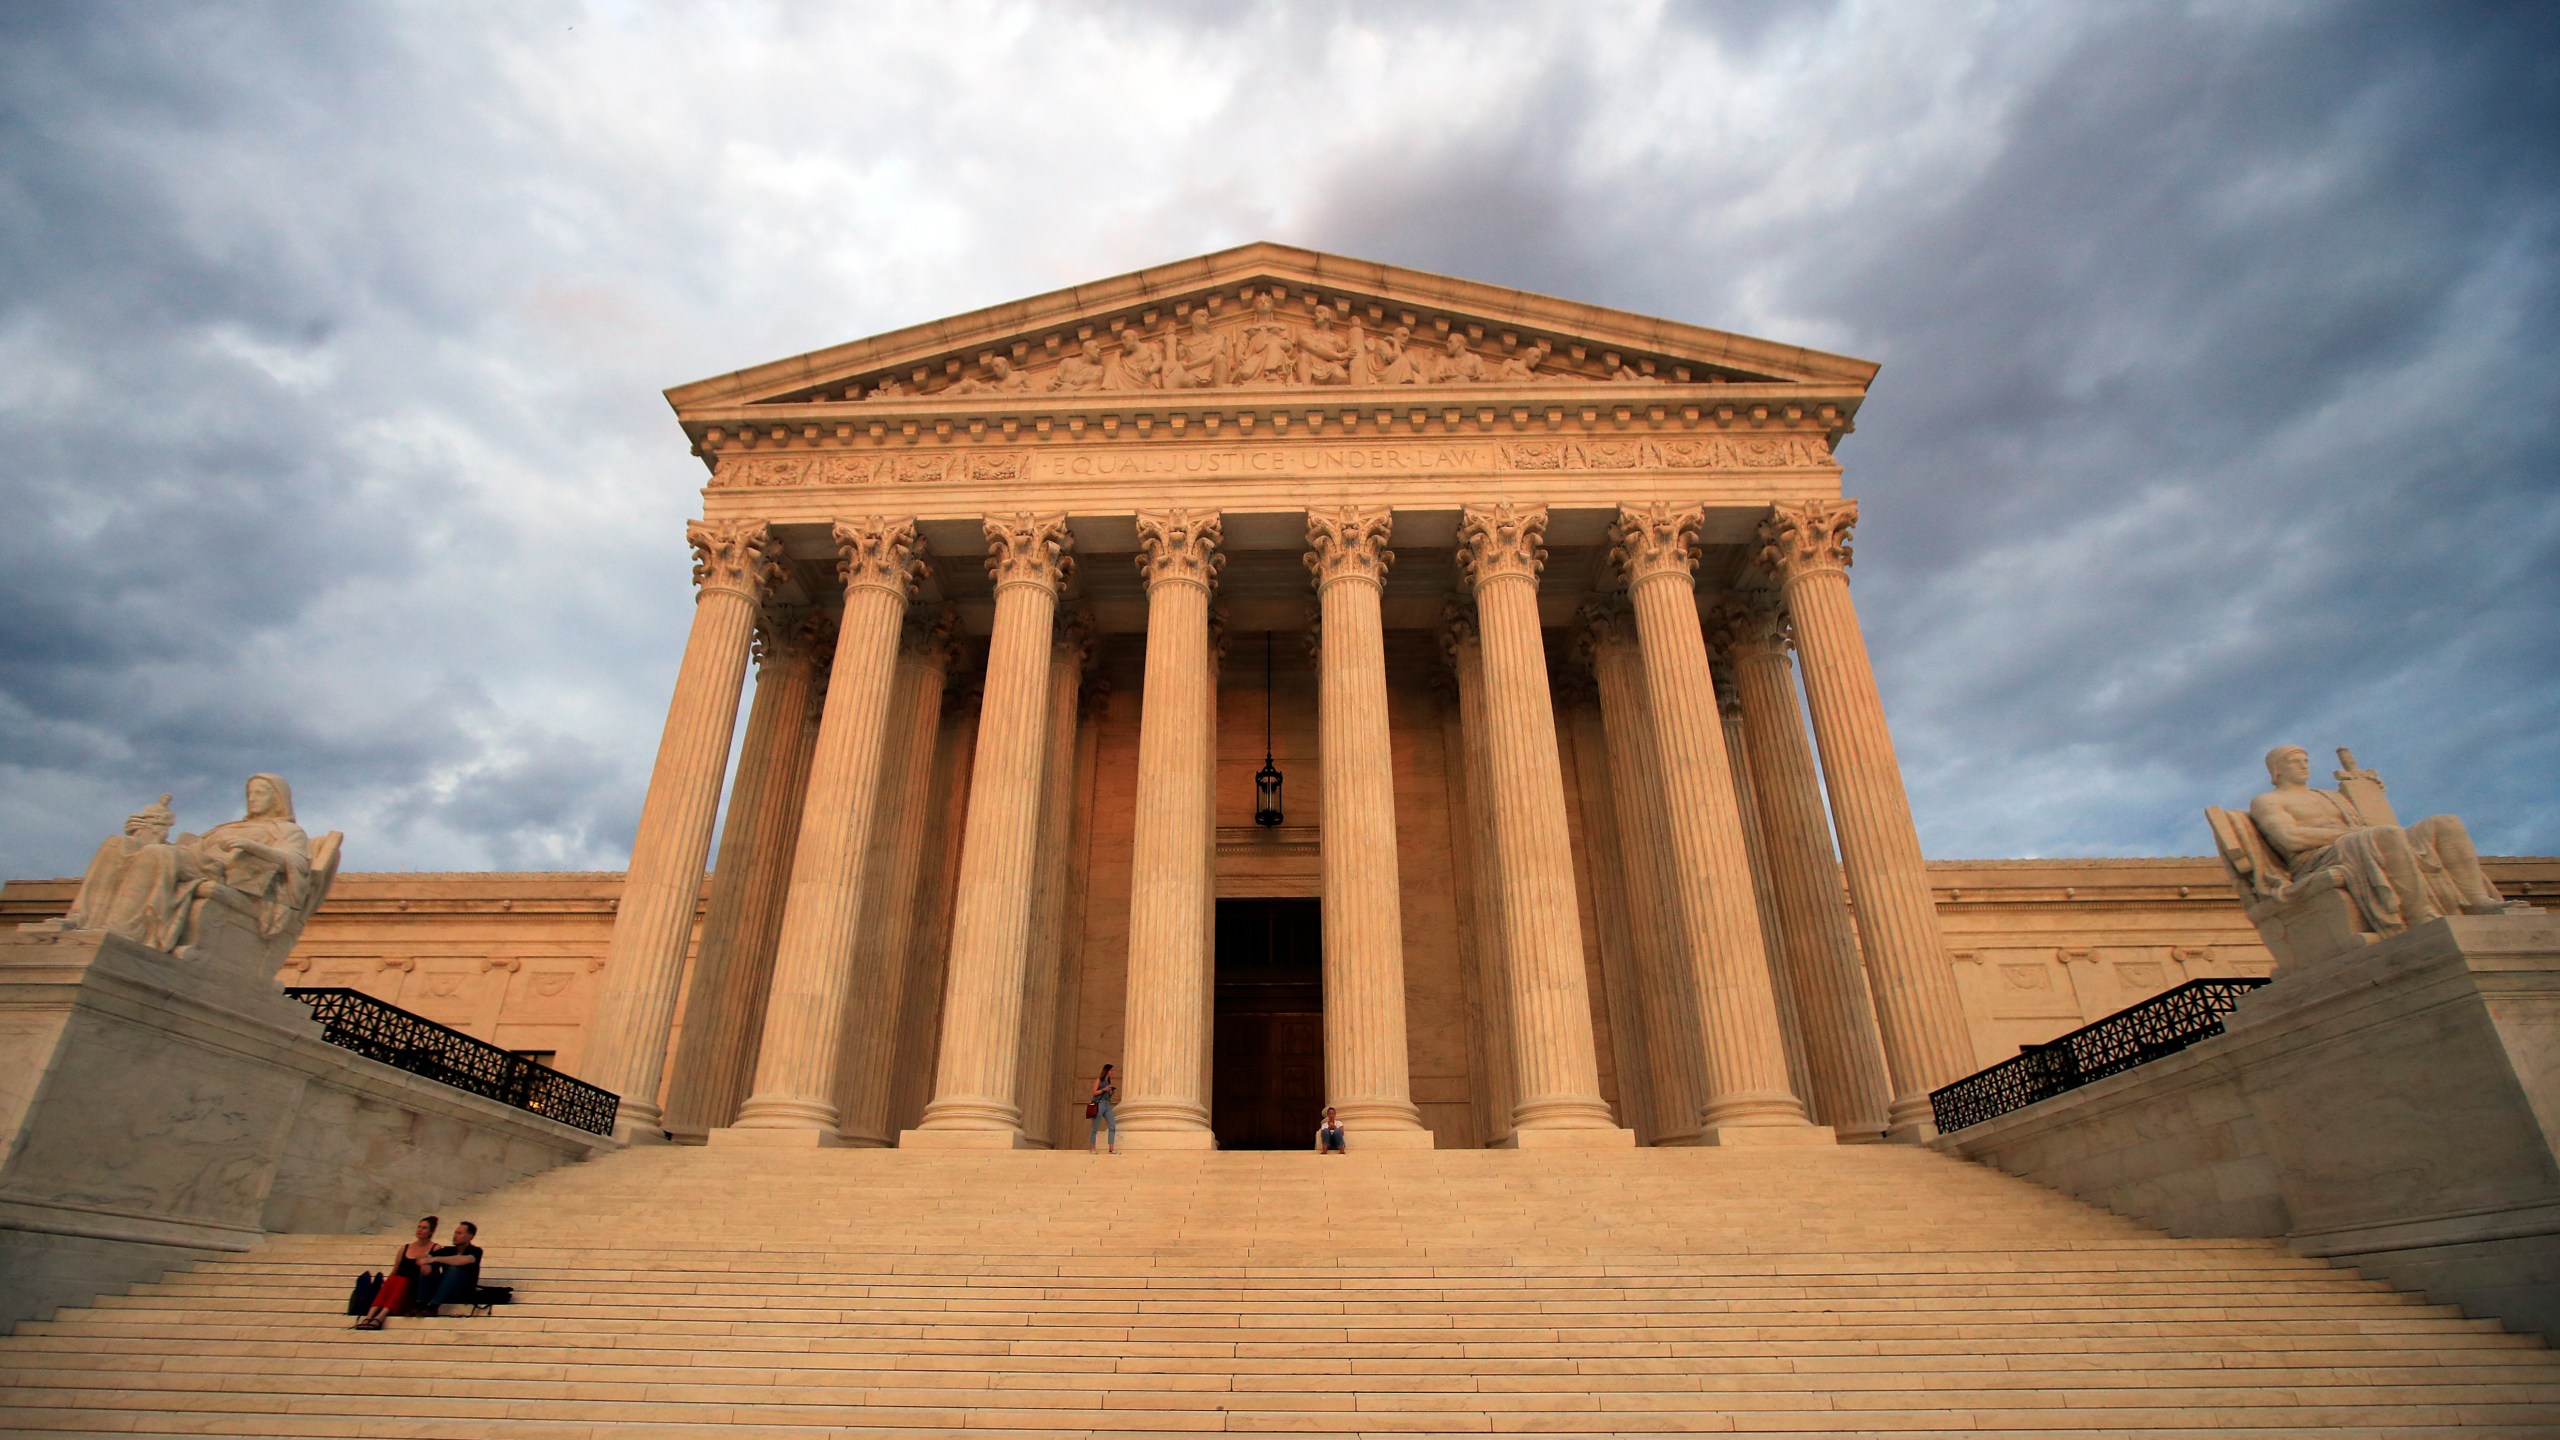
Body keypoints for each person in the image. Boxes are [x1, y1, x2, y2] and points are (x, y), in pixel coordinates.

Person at [2249, 744, 2508, 934]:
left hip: (2363, 841)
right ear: (2277, 770)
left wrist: (2364, 791)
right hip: (2319, 857)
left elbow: (2368, 826)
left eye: (2306, 760)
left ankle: (2476, 900)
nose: (2305, 765)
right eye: (2295, 761)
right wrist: (2353, 834)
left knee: (2445, 823)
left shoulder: (2329, 796)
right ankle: (2418, 914)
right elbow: (2290, 839)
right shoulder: (2269, 801)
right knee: (2385, 836)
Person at [354, 1216, 438, 1329]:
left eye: (424, 1228)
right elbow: (395, 1270)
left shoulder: (435, 1248)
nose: (420, 1230)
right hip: (398, 1284)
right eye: (419, 1227)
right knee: (394, 1279)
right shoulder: (405, 1248)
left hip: (413, 1288)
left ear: (431, 1232)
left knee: (401, 1281)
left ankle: (380, 1317)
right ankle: (369, 1316)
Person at [420, 1221, 483, 1314]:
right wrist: (426, 1264)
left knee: (454, 1269)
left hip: (462, 1291)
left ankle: (434, 1305)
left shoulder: (475, 1250)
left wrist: (436, 1259)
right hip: (444, 1289)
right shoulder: (447, 1250)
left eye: (459, 1233)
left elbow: (463, 1260)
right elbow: (424, 1259)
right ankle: (420, 1304)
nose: (455, 1236)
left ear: (470, 1236)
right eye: (455, 1233)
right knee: (428, 1267)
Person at [1088, 1063, 1118, 1154]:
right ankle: (1092, 1148)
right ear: (1107, 1071)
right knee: (1095, 1127)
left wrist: (1111, 1092)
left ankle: (1111, 1148)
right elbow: (1093, 1092)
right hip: (1099, 1104)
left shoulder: (1108, 1082)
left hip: (1107, 1104)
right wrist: (1103, 1090)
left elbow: (1107, 1096)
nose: (1112, 1072)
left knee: (1112, 1125)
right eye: (1111, 1070)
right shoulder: (1099, 1080)